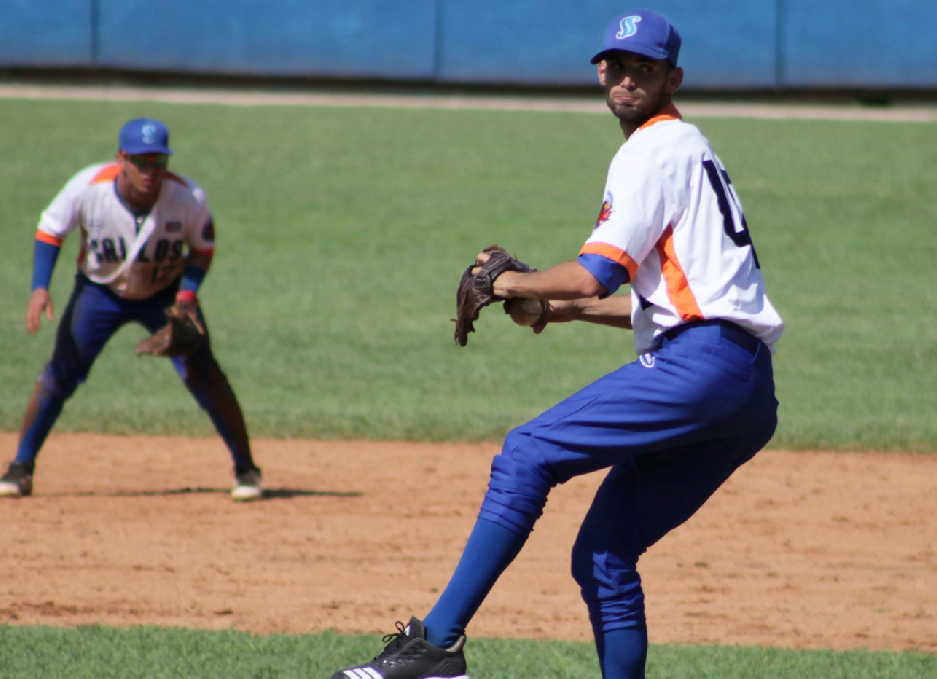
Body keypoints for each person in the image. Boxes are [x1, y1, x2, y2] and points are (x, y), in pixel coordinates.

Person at [329, 9, 783, 679]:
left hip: (701, 368)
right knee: (604, 551)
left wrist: (505, 279)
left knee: (526, 453)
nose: (628, 78)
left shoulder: (651, 149)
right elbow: (672, 299)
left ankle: (436, 644)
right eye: (619, 65)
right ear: (601, 70)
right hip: (744, 390)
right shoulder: (692, 148)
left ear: (671, 77)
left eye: (645, 69)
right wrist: (562, 310)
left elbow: (596, 271)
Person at [0, 118, 264, 502]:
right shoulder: (88, 188)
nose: (150, 172)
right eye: (141, 162)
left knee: (204, 374)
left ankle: (247, 469)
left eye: (158, 162)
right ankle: (20, 468)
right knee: (59, 375)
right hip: (99, 292)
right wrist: (40, 287)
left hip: (166, 293)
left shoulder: (187, 198)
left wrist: (187, 297)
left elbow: (202, 251)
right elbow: (50, 230)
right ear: (121, 158)